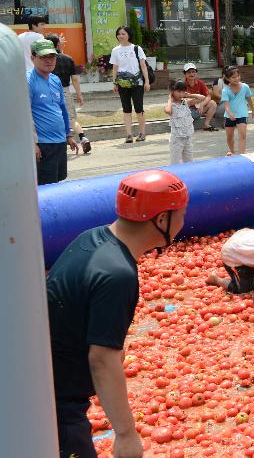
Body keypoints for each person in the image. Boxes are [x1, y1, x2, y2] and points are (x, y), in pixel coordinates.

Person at [47, 169, 188, 458]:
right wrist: (125, 434)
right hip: (54, 404)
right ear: (162, 219)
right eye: (182, 214)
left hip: (38, 383)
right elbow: (101, 359)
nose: (184, 222)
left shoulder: (92, 237)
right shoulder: (117, 274)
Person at [27, 39, 78, 184]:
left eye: (52, 56)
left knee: (58, 181)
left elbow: (62, 109)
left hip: (60, 142)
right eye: (43, 57)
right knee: (46, 188)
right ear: (33, 57)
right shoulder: (28, 81)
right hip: (43, 146)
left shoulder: (55, 80)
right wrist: (33, 143)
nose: (49, 61)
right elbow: (25, 115)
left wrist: (68, 135)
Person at [46, 34, 91, 154]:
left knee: (52, 117)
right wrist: (79, 95)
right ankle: (82, 137)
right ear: (57, 44)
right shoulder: (68, 58)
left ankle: (58, 144)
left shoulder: (46, 60)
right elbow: (75, 80)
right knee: (71, 118)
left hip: (49, 91)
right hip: (65, 90)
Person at [110, 26, 150, 143]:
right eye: (119, 34)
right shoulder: (115, 50)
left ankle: (142, 133)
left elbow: (143, 66)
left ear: (129, 35)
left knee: (139, 109)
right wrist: (114, 83)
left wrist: (146, 81)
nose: (120, 36)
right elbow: (115, 68)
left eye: (123, 34)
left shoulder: (137, 48)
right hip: (123, 84)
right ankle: (128, 134)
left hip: (137, 83)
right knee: (126, 109)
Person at [164, 80, 206, 165]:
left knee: (189, 161)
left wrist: (189, 95)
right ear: (172, 91)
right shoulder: (171, 105)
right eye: (178, 91)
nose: (181, 94)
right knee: (174, 162)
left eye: (183, 92)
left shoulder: (186, 102)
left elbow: (202, 98)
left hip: (188, 137)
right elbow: (168, 111)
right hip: (177, 139)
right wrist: (170, 99)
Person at [220, 65, 254, 155]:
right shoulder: (225, 90)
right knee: (229, 137)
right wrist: (230, 113)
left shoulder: (245, 87)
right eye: (233, 77)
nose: (236, 79)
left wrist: (253, 111)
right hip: (229, 116)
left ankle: (241, 154)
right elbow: (226, 105)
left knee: (242, 135)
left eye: (238, 76)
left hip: (242, 114)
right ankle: (232, 152)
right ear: (228, 79)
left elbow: (249, 99)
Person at [182, 63, 218, 132]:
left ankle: (206, 124)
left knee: (212, 103)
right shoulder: (182, 85)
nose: (191, 74)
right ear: (185, 74)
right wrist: (197, 100)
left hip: (199, 109)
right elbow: (183, 102)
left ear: (196, 73)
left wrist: (202, 104)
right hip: (187, 110)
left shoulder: (200, 83)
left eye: (193, 72)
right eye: (189, 72)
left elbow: (208, 96)